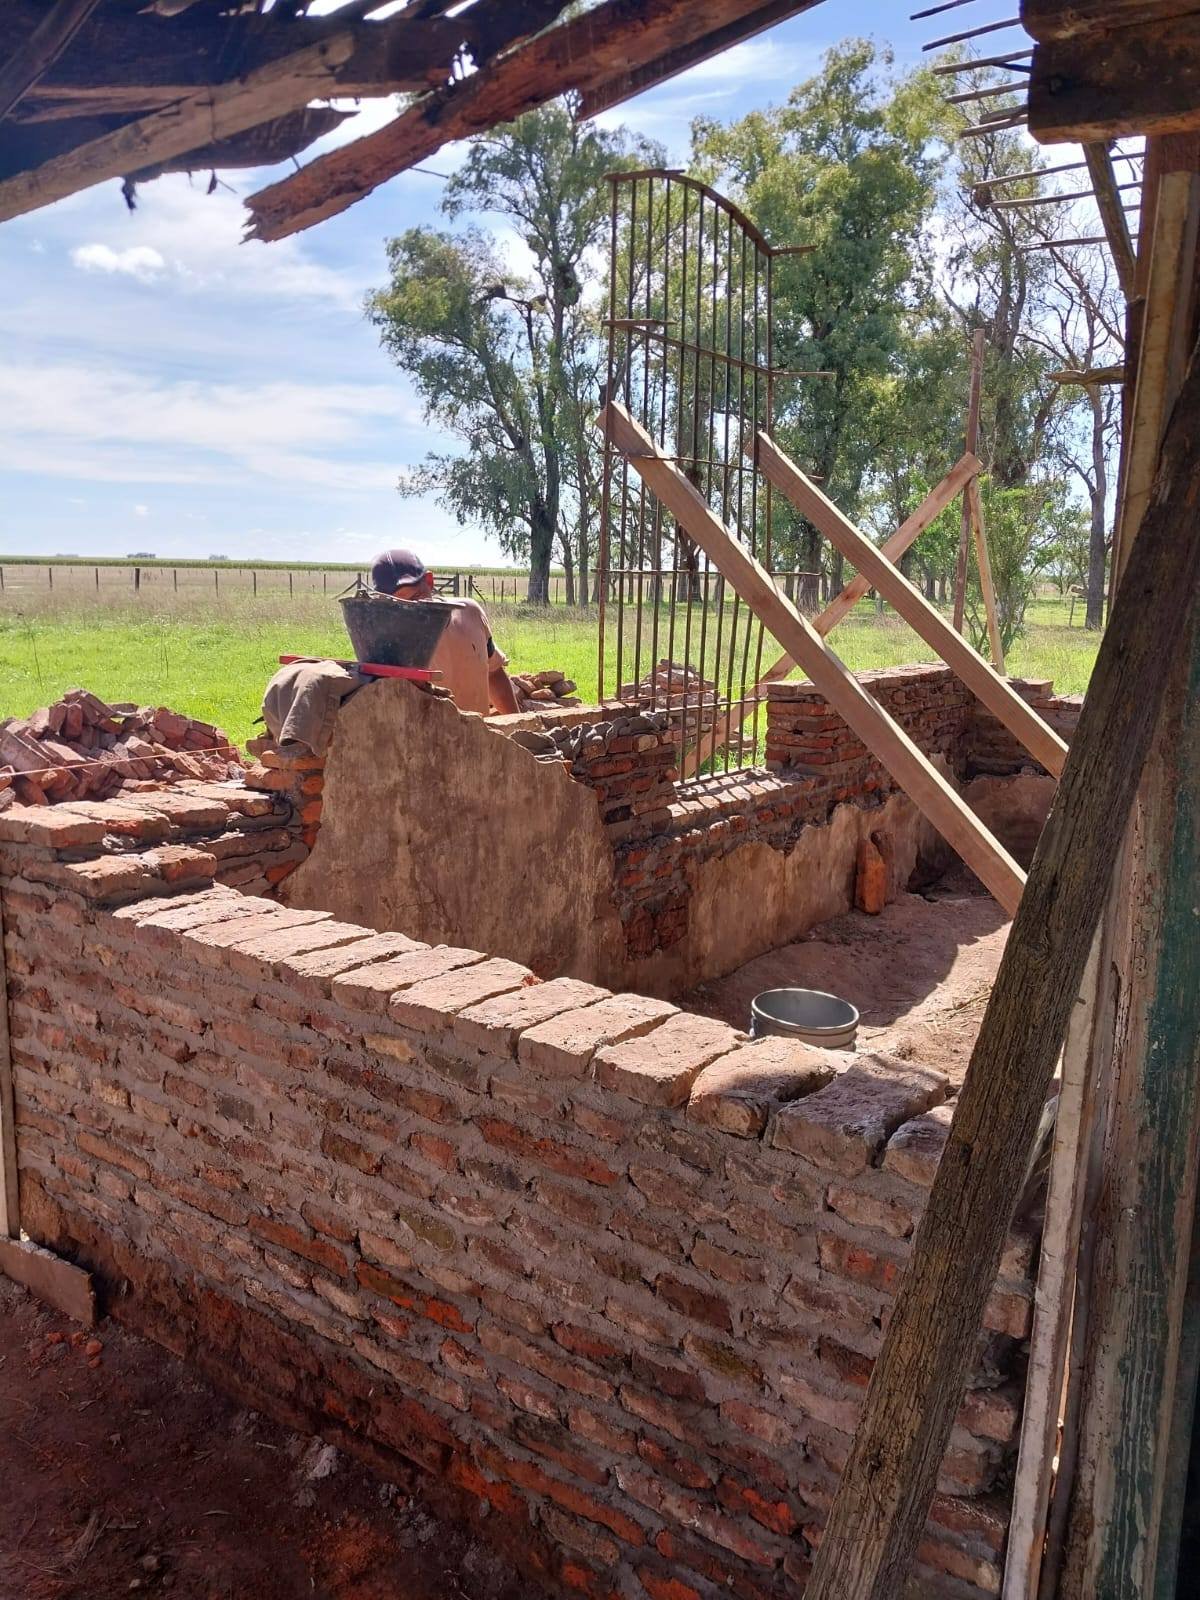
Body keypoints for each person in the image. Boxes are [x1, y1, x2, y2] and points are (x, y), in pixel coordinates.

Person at [369, 549, 520, 717]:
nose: (411, 609)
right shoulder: (386, 644)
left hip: (479, 732)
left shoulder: (469, 613)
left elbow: (494, 672)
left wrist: (516, 721)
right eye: (397, 603)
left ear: (429, 581)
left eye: (416, 596)